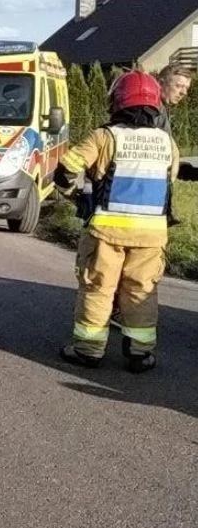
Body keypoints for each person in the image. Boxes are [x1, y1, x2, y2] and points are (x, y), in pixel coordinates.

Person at [53, 70, 179, 373]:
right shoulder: (167, 142)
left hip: (106, 232)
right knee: (141, 291)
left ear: (117, 103)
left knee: (98, 289)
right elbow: (169, 180)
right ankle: (140, 352)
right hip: (151, 236)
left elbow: (68, 166)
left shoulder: (105, 136)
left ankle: (88, 350)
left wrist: (71, 191)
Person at [110, 63, 191, 328]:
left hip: (143, 199)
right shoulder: (151, 113)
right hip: (140, 200)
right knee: (136, 266)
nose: (183, 93)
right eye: (178, 86)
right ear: (162, 82)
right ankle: (120, 310)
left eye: (186, 88)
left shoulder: (159, 111)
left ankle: (115, 308)